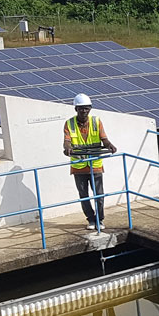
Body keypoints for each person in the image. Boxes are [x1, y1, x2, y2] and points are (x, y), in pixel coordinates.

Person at [62, 93, 117, 231]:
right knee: (84, 196)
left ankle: (100, 219)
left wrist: (109, 145)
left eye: (86, 108)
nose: (84, 111)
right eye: (81, 108)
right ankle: (91, 219)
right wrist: (67, 148)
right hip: (79, 166)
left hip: (95, 164)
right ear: (76, 109)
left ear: (90, 108)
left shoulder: (96, 121)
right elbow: (67, 141)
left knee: (99, 194)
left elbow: (104, 138)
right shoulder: (69, 123)